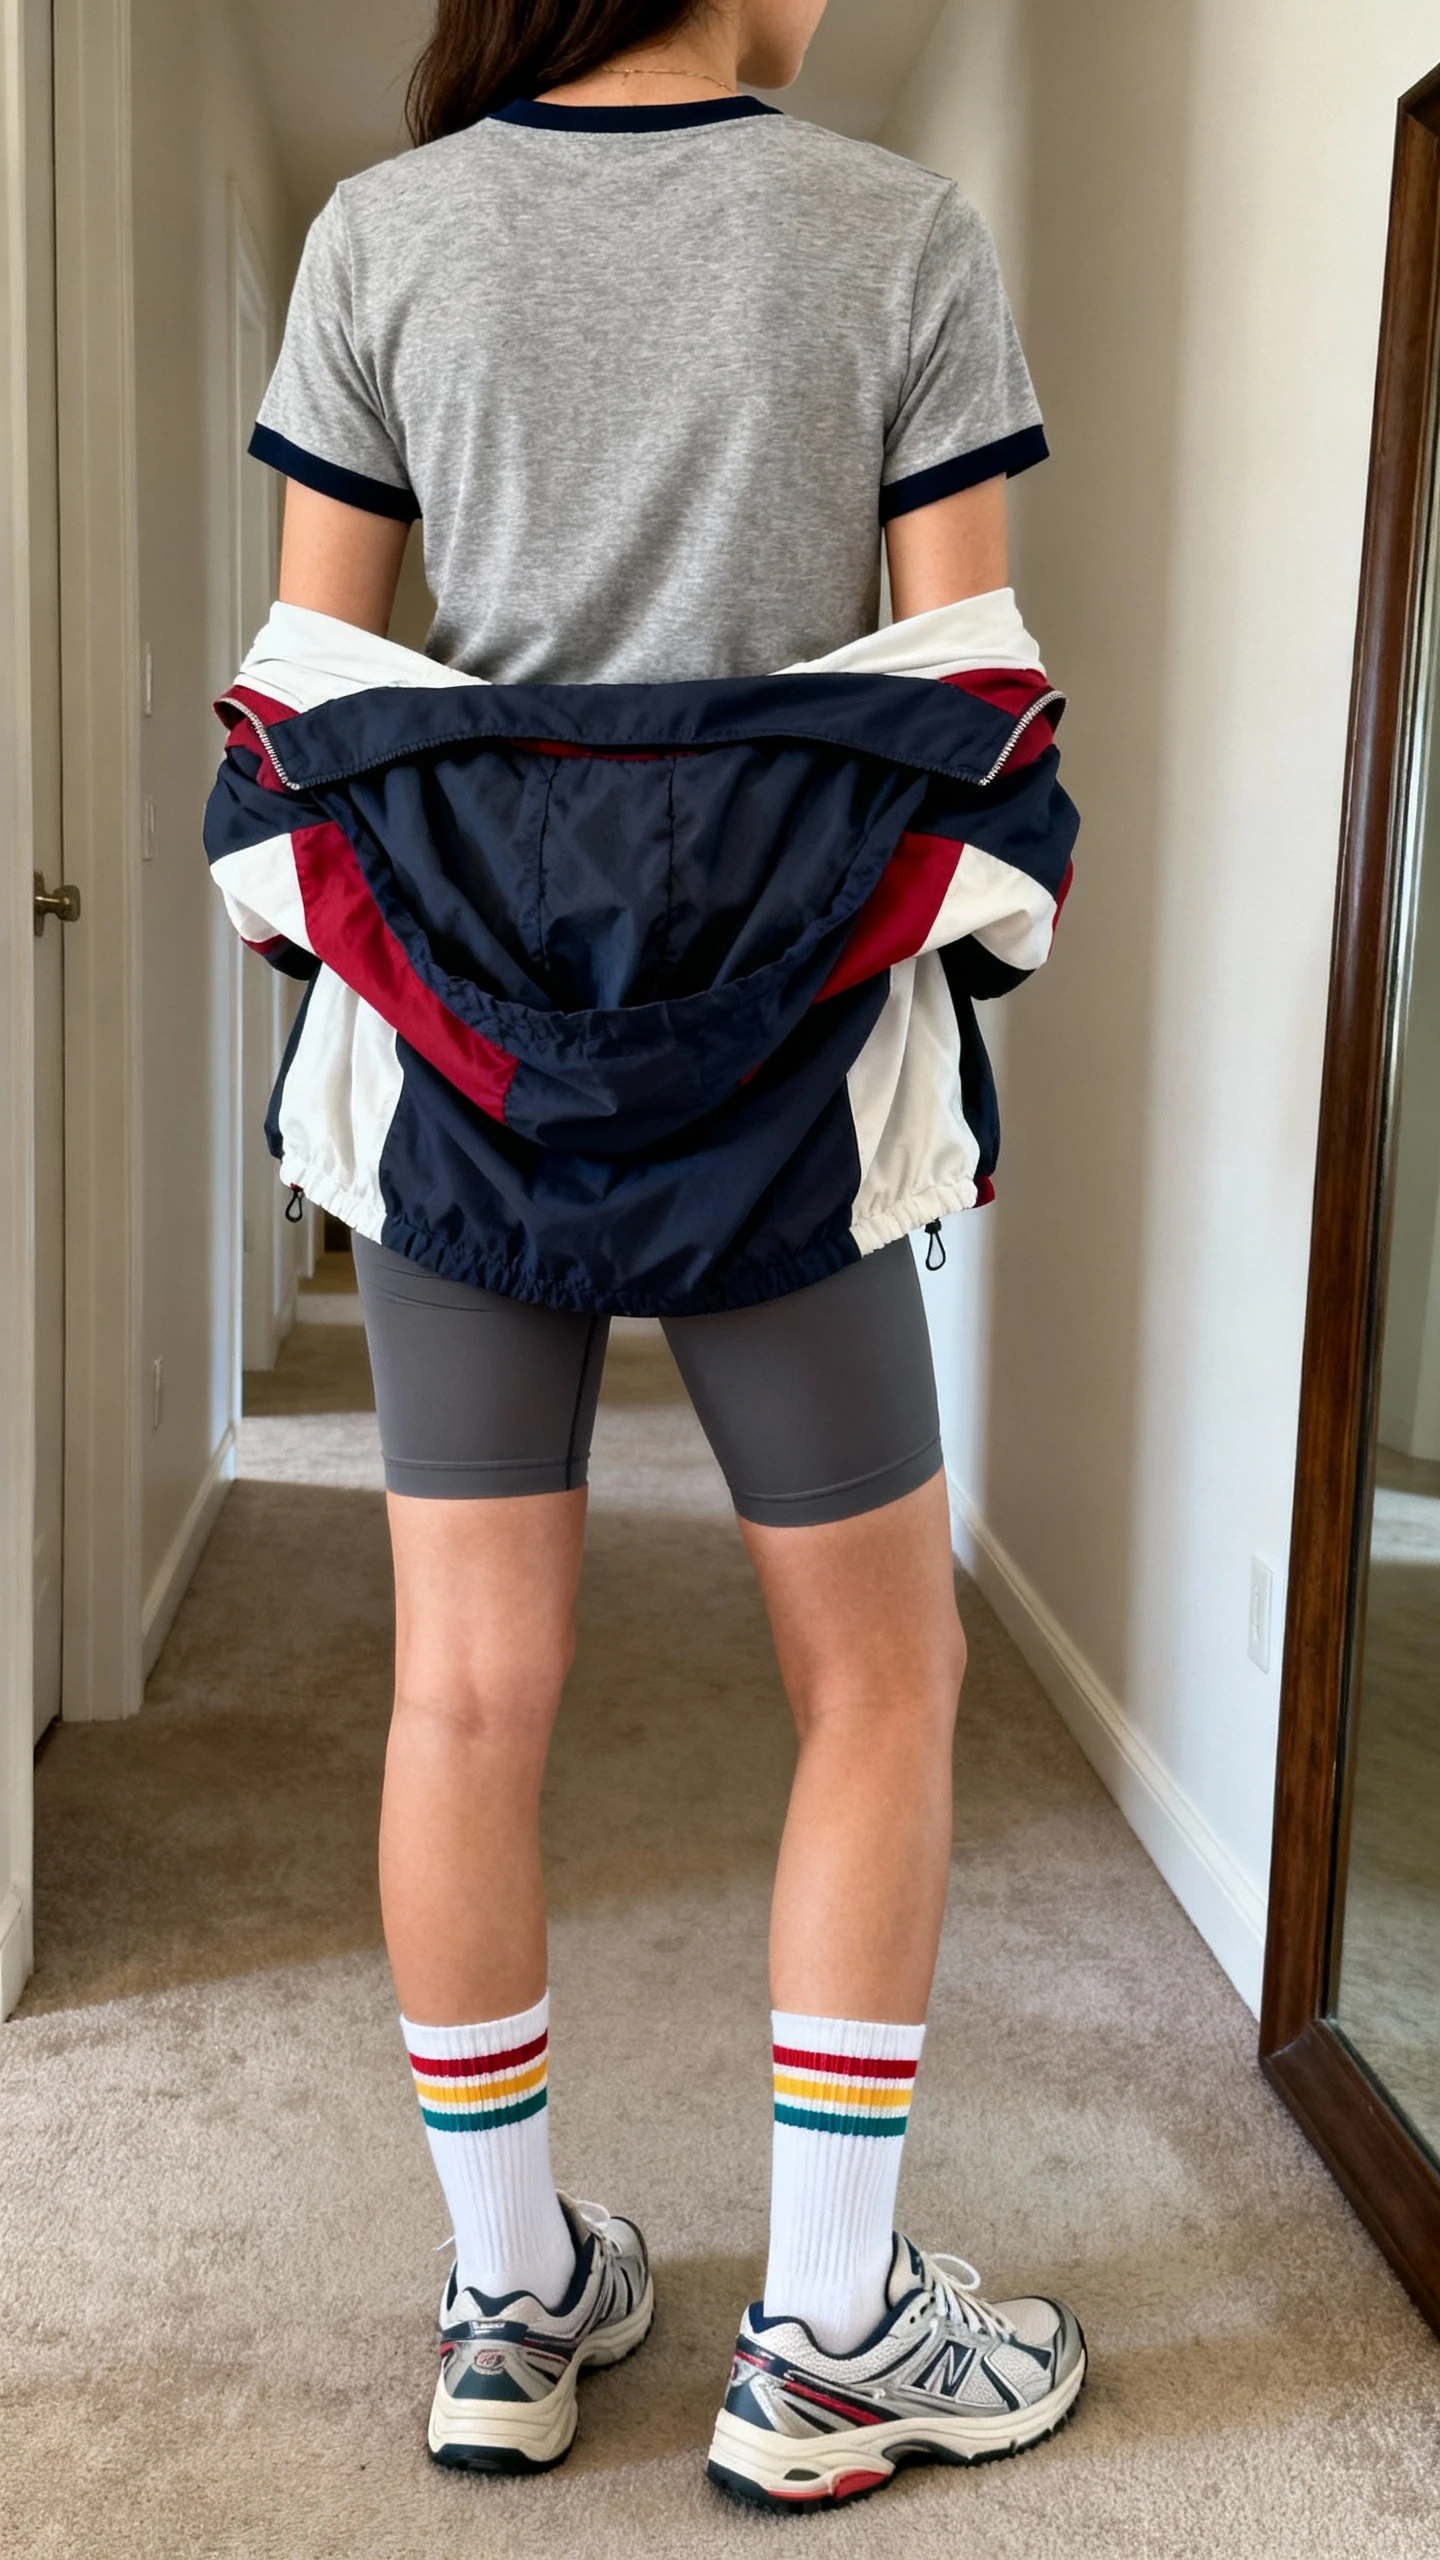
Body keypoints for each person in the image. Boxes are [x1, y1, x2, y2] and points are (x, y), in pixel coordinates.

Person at [238, 0, 1085, 2509]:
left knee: (463, 1693)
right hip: (786, 1073)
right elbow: (970, 697)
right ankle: (824, 2337)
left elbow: (314, 700)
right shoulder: (901, 236)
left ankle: (510, 2302)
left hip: (460, 1075)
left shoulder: (382, 237)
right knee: (883, 1676)